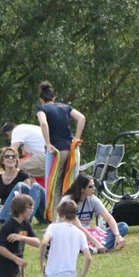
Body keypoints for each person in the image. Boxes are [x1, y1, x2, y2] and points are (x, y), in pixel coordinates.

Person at [36, 81, 86, 213]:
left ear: (41, 99)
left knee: (55, 185)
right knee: (70, 184)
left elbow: (44, 124)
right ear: (54, 98)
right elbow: (82, 118)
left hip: (57, 151)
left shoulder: (42, 108)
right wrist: (76, 138)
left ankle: (56, 218)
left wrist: (48, 143)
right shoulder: (65, 106)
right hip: (72, 150)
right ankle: (72, 215)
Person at [59, 174, 127, 253]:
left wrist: (117, 235)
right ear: (82, 189)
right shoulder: (68, 201)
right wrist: (96, 242)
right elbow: (78, 227)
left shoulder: (92, 199)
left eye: (94, 185)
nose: (94, 188)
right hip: (70, 234)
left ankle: (92, 248)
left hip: (88, 234)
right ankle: (95, 247)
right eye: (90, 187)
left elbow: (108, 218)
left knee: (123, 227)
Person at [0, 147, 46, 231]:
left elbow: (25, 201)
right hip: (5, 209)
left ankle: (23, 222)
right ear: (2, 160)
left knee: (34, 185)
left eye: (13, 156)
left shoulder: (23, 175)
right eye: (7, 156)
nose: (10, 158)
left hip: (17, 209)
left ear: (16, 160)